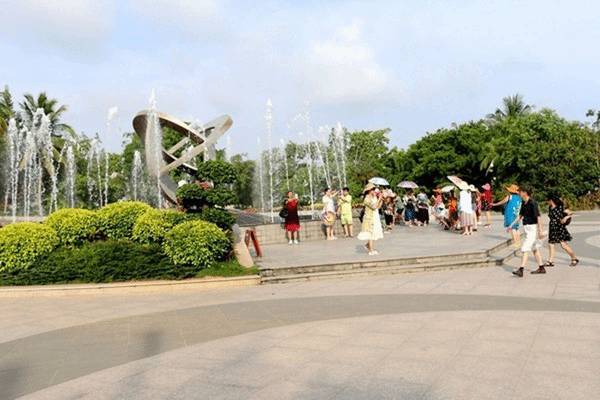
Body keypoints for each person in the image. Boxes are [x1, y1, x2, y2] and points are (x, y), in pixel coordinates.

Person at [509, 186, 545, 276]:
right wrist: (511, 225)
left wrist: (540, 231)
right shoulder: (524, 202)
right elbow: (520, 215)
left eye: (520, 192)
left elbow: (538, 217)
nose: (519, 194)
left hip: (532, 228)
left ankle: (521, 269)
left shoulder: (533, 202)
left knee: (525, 248)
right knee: (534, 248)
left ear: (524, 192)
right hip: (526, 228)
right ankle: (541, 267)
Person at [545, 194, 579, 267]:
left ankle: (574, 258)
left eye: (547, 200)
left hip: (559, 227)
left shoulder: (560, 207)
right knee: (551, 244)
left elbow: (570, 213)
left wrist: (566, 218)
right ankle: (550, 261)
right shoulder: (550, 208)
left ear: (551, 200)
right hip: (552, 228)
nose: (547, 202)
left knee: (563, 245)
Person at [357, 183, 384, 255]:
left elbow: (378, 206)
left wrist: (381, 200)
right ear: (369, 190)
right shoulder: (367, 199)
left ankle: (369, 246)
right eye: (373, 189)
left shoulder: (373, 197)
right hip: (369, 218)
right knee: (371, 234)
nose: (374, 191)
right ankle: (371, 251)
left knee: (374, 233)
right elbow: (373, 207)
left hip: (375, 216)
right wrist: (379, 199)